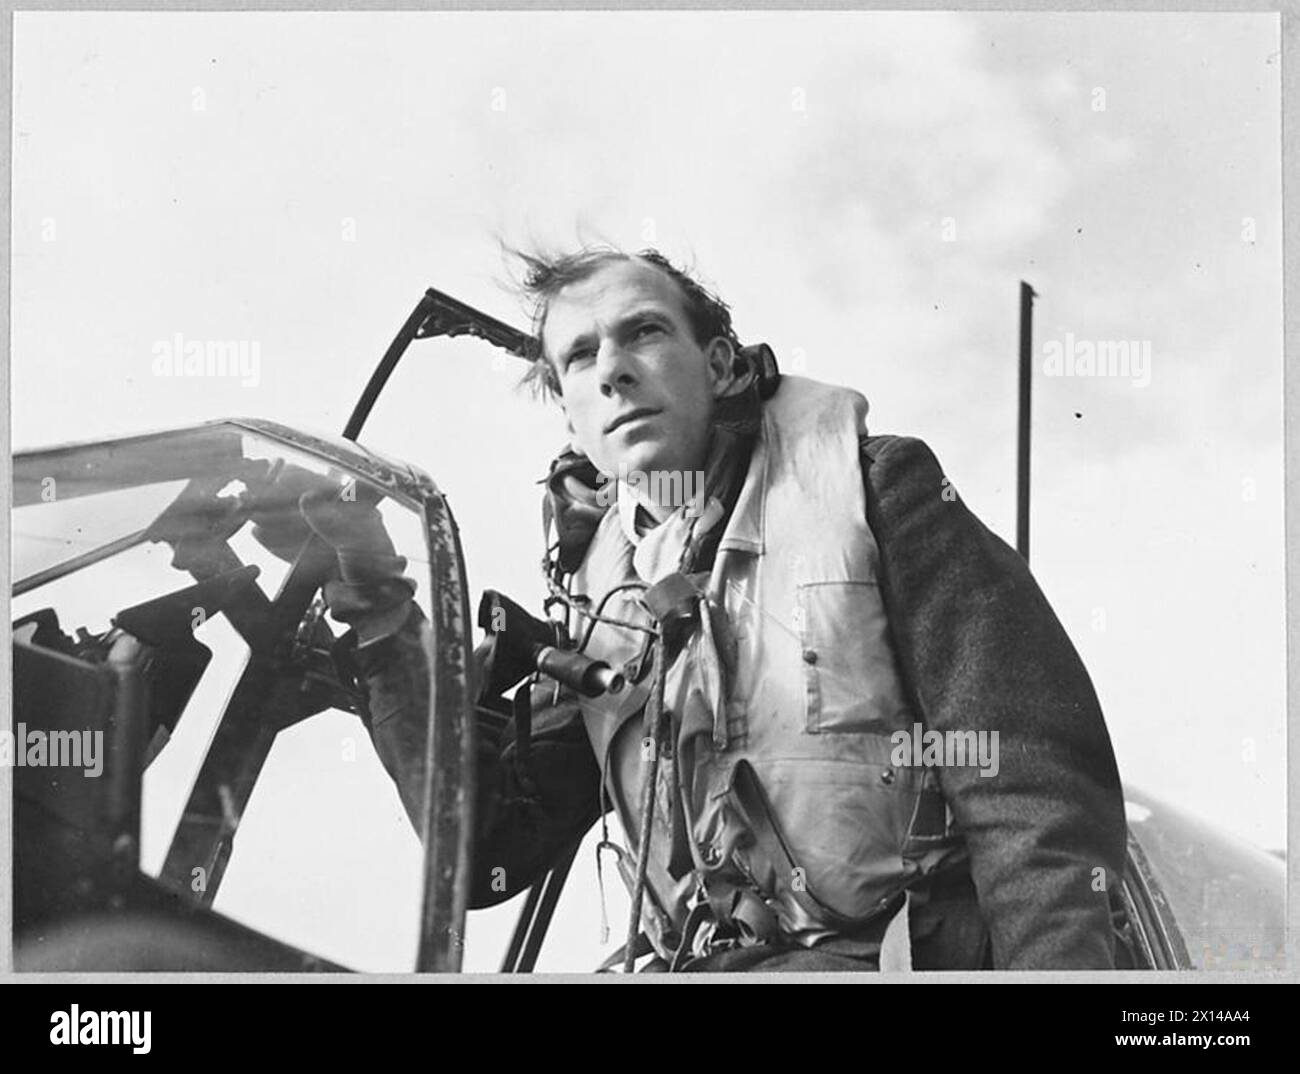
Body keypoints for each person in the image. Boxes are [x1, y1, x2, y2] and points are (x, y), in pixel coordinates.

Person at [327, 246, 1129, 972]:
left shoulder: (874, 492)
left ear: (716, 363)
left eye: (642, 333)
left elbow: (1029, 794)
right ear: (571, 412)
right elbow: (488, 847)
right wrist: (383, 616)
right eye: (579, 357)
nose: (613, 370)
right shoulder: (597, 601)